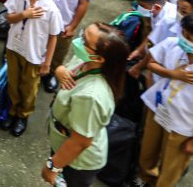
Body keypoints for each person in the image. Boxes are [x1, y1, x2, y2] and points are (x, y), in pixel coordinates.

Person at [137, 13, 193, 187]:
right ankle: (145, 178)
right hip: (158, 110)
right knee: (147, 150)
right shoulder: (173, 45)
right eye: (183, 32)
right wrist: (173, 74)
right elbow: (151, 63)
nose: (182, 38)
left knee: (172, 165)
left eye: (189, 37)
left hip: (182, 127)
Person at [43, 22, 129, 187]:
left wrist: (52, 166)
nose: (78, 41)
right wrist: (59, 69)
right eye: (83, 34)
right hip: (63, 142)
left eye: (85, 41)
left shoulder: (91, 96)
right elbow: (68, 72)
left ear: (100, 58)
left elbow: (80, 142)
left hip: (78, 161)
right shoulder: (85, 59)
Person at [1, 0, 62, 138]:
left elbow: (53, 37)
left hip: (33, 55)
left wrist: (47, 64)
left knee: (29, 88)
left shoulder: (51, 9)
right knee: (13, 82)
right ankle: (12, 111)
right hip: (14, 47)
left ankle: (23, 115)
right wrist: (24, 15)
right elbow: (8, 17)